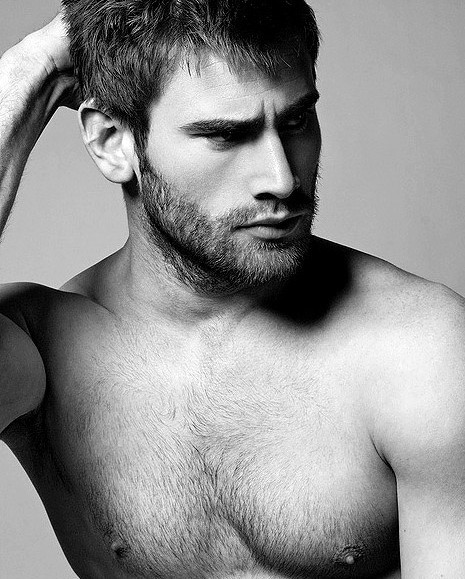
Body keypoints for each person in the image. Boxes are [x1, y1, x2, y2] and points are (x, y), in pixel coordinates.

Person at [0, 1, 464, 577]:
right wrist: (33, 67)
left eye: (296, 121)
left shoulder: (421, 349)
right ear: (113, 141)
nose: (282, 179)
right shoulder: (38, 348)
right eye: (225, 135)